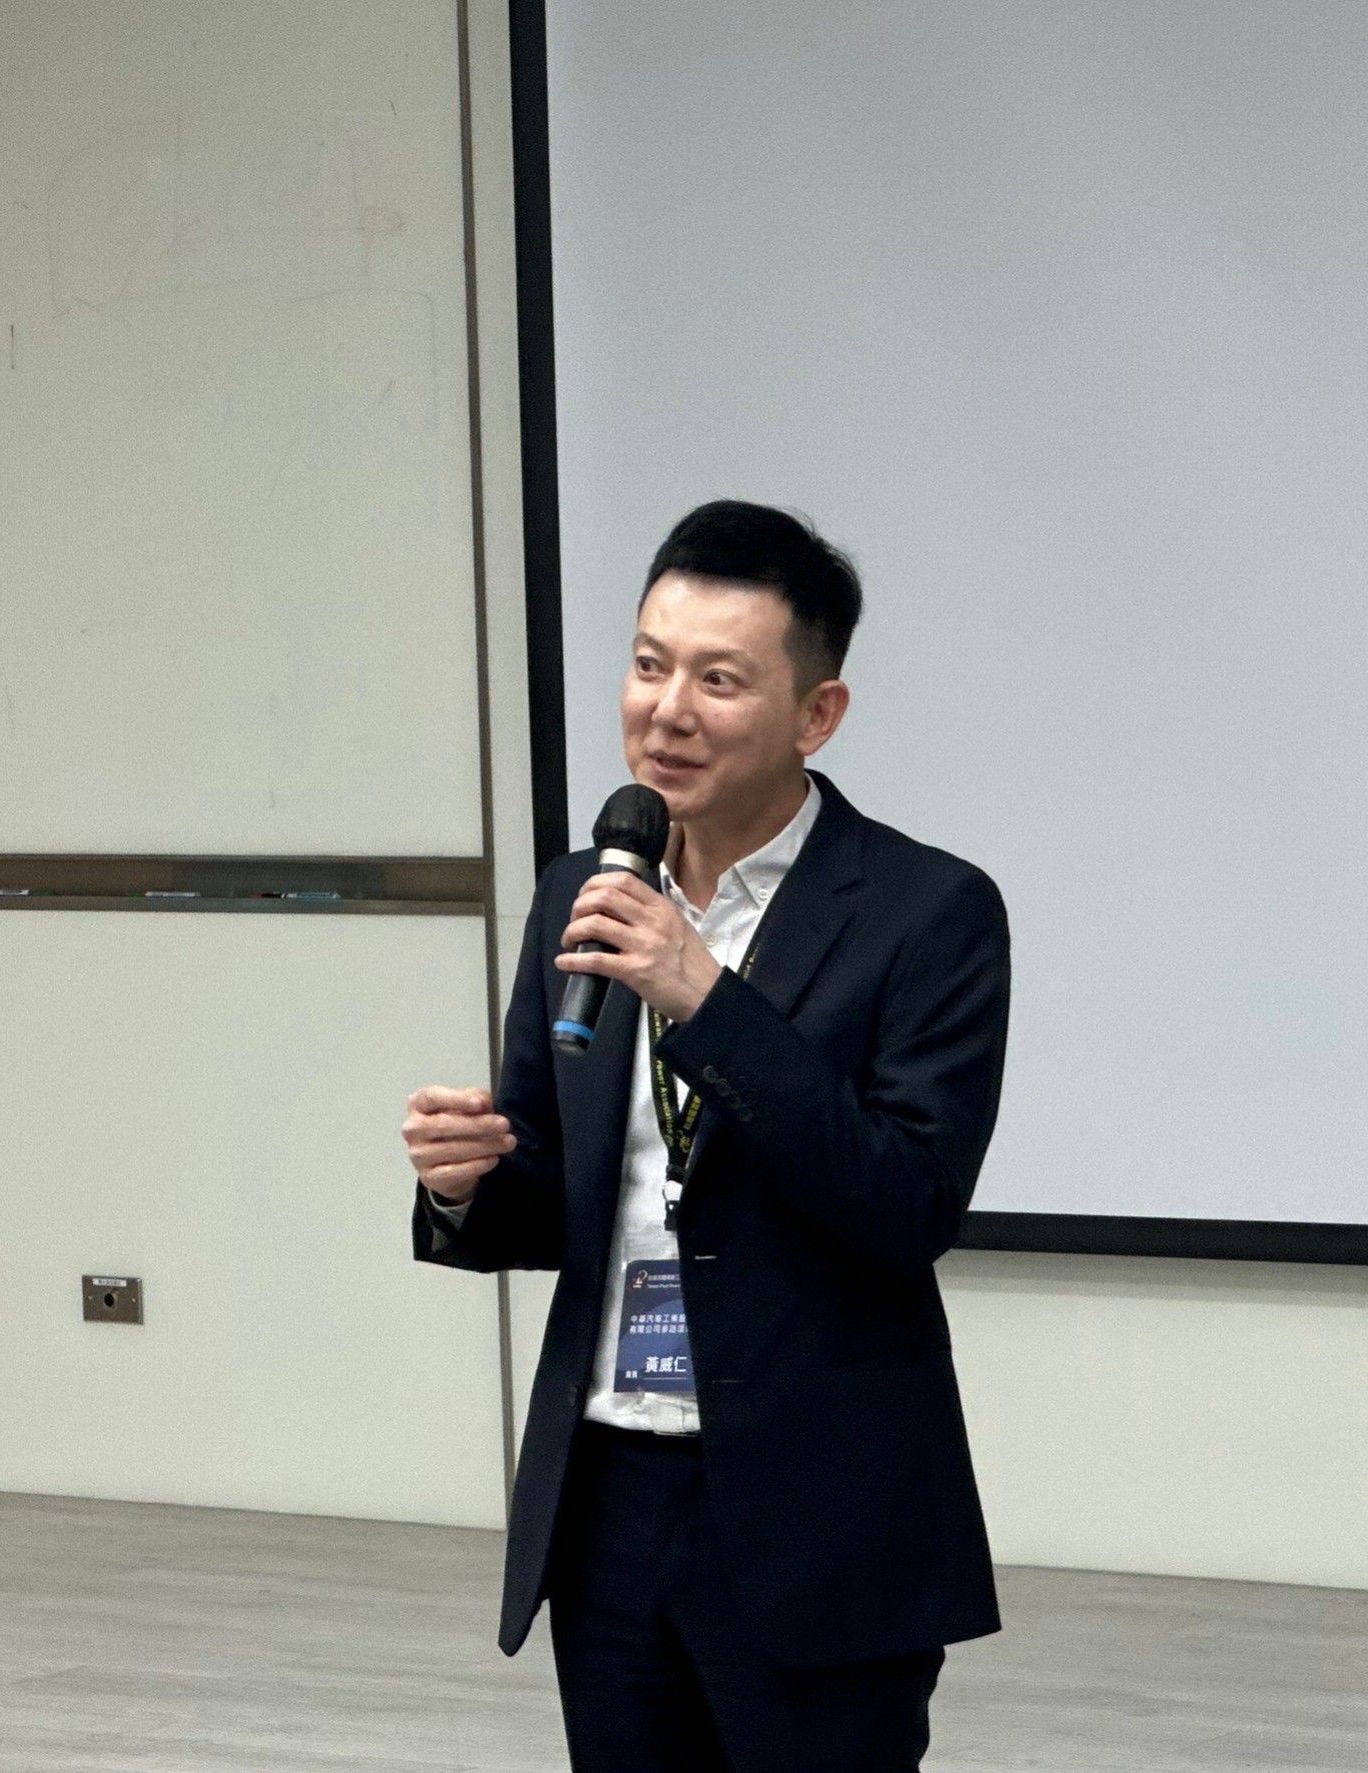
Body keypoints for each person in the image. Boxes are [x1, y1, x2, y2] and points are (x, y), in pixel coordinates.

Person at [402, 500, 1012, 1773]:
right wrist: (469, 1184)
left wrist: (706, 1000)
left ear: (816, 714)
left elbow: (905, 1205)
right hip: (607, 1492)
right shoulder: (582, 891)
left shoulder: (928, 911)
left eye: (718, 680)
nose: (666, 711)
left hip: (816, 1506)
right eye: (648, 665)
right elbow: (561, 1186)